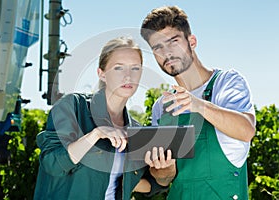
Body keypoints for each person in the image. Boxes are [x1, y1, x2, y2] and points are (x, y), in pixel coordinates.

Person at [140, 6, 256, 199]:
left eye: (173, 41)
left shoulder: (226, 82)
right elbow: (164, 179)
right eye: (157, 47)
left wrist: (198, 105)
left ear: (191, 41)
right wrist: (163, 168)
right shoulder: (162, 106)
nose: (166, 52)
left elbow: (246, 130)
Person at [33, 37, 165, 200]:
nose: (128, 76)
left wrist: (165, 170)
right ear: (101, 73)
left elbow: (146, 184)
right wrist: (95, 134)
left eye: (135, 69)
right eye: (118, 68)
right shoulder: (72, 107)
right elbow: (52, 164)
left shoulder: (135, 130)